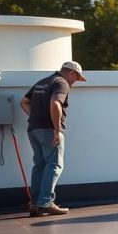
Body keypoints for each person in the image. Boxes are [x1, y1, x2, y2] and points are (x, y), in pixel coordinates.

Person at [19, 61, 87, 216]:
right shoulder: (61, 83)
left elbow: (23, 102)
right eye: (76, 78)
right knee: (54, 165)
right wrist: (57, 130)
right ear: (71, 73)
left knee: (40, 165)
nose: (75, 82)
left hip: (33, 129)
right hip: (49, 130)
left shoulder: (42, 82)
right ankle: (45, 203)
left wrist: (37, 117)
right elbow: (56, 102)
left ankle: (35, 204)